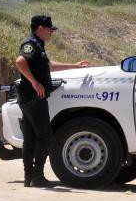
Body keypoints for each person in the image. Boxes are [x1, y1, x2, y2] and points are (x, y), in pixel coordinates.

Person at [14, 15, 89, 188]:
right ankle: (37, 176)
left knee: (31, 138)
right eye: (49, 29)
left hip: (31, 98)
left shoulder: (38, 46)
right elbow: (20, 62)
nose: (51, 33)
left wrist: (75, 66)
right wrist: (34, 82)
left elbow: (49, 66)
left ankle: (30, 177)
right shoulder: (30, 44)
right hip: (33, 98)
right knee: (45, 136)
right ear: (40, 28)